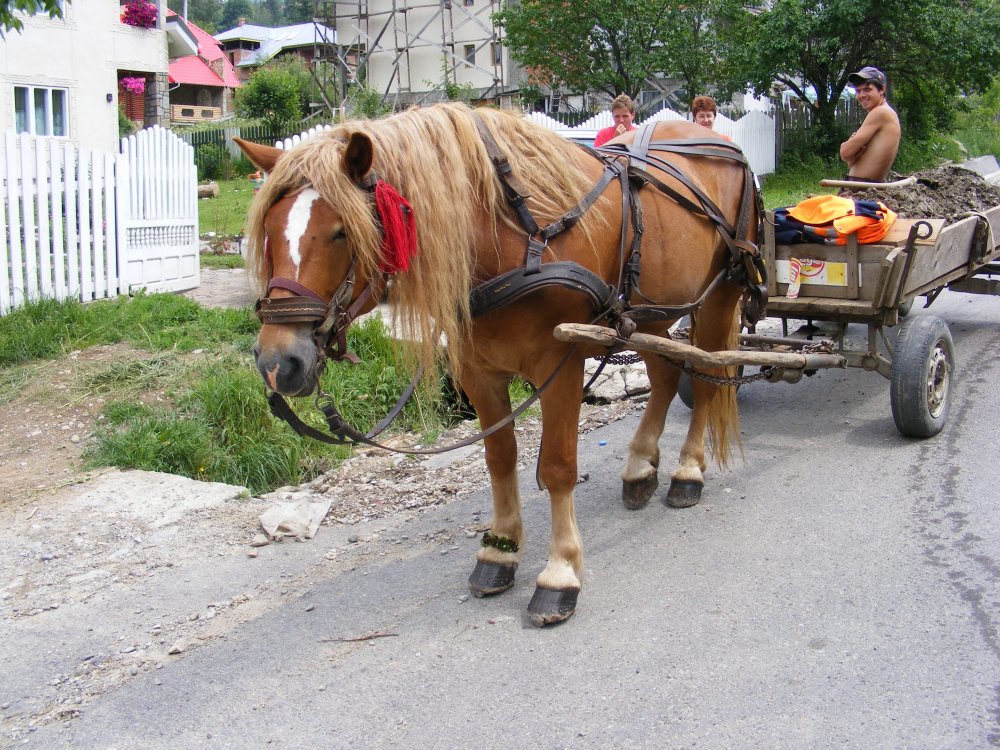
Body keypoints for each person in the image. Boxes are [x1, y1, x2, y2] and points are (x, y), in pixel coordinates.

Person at [839, 66, 900, 182]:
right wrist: (853, 154)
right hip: (864, 186)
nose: (861, 95)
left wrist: (845, 146)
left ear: (882, 89)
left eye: (867, 89)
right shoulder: (885, 113)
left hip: (861, 187)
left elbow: (845, 153)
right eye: (858, 91)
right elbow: (851, 162)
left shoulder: (880, 112)